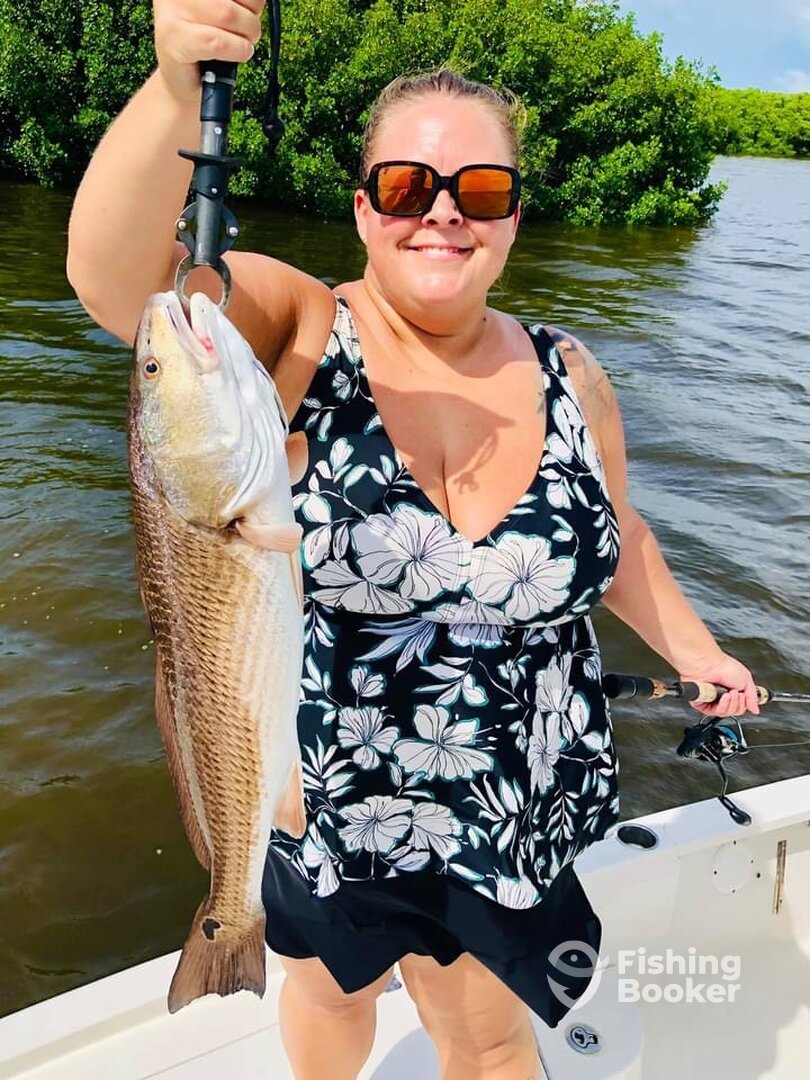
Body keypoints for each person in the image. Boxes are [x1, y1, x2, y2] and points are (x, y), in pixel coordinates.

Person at [66, 2, 760, 1077]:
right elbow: (119, 284)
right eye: (405, 186)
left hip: (509, 793)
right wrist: (172, 83)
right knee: (330, 999)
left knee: (486, 1037)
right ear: (363, 209)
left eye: (478, 190)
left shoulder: (573, 371)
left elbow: (616, 533)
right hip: (330, 790)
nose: (441, 213)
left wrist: (698, 651)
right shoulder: (297, 331)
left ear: (514, 216)